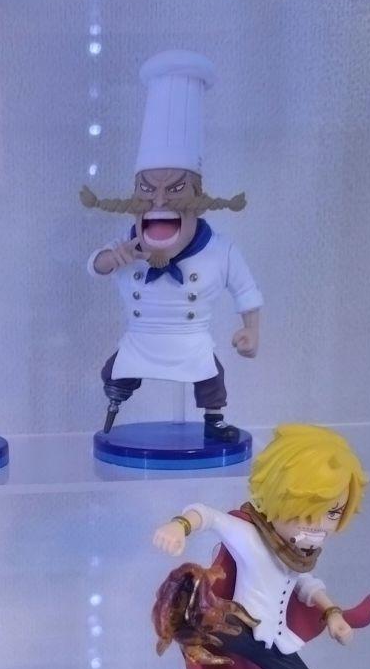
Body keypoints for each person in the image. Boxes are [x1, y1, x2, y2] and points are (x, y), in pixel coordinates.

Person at [152, 424, 368, 669]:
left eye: (332, 513)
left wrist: (332, 613)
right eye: (304, 512)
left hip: (269, 636)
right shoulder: (249, 536)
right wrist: (178, 526)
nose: (319, 526)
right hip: (236, 628)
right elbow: (208, 516)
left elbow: (302, 582)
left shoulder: (294, 553)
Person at [82, 51, 262, 442]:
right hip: (141, 338)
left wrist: (251, 331)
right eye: (147, 191)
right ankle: (113, 406)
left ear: (198, 199)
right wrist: (114, 258)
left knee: (211, 377)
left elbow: (247, 293)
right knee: (114, 373)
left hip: (191, 340)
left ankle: (214, 420)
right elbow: (94, 265)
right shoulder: (128, 243)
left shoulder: (221, 251)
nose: (160, 202)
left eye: (176, 189)